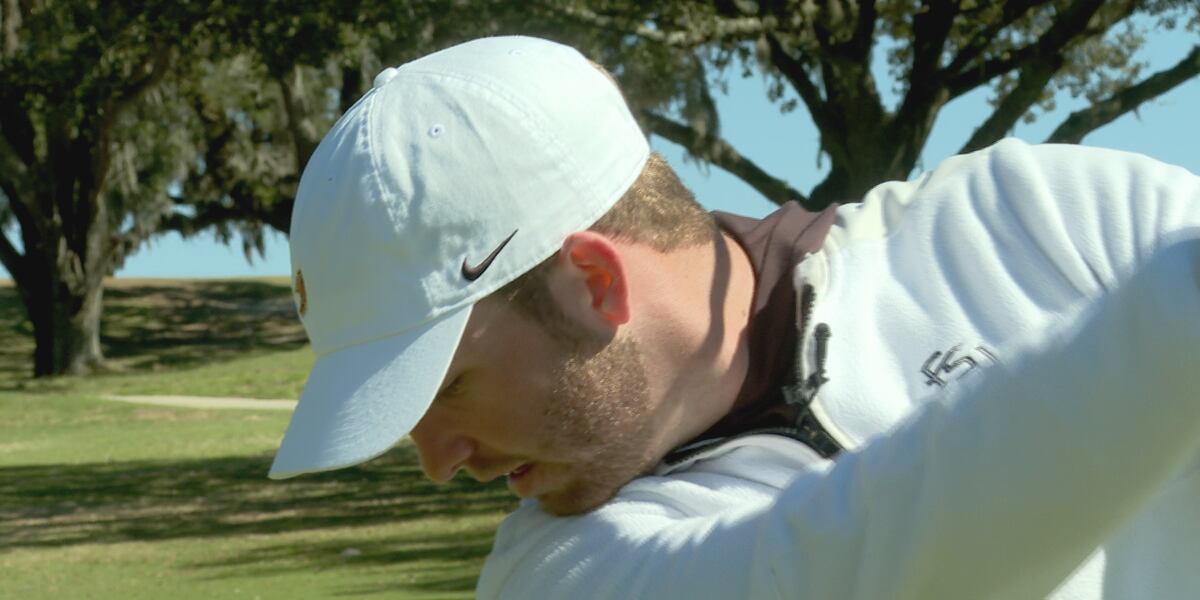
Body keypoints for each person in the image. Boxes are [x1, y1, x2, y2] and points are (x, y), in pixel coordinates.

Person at [268, 35, 1200, 599]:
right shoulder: (556, 577)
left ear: (593, 283)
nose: (436, 462)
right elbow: (837, 574)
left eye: (443, 384)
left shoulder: (1040, 215)